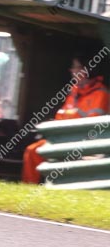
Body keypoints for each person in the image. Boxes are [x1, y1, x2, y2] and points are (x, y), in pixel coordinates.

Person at [22, 52, 110, 183]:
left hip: (85, 145)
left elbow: (92, 127)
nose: (72, 71)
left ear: (86, 69)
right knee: (32, 151)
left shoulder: (101, 94)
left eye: (76, 67)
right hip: (61, 141)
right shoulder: (73, 92)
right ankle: (28, 188)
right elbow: (63, 116)